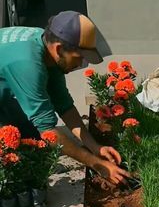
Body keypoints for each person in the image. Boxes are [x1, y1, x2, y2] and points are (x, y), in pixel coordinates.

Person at [0, 10, 129, 185]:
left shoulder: (47, 47)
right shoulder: (28, 65)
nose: (81, 65)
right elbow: (47, 131)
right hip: (16, 74)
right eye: (79, 58)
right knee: (15, 158)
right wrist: (98, 165)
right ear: (59, 49)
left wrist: (95, 148)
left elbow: (64, 106)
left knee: (33, 139)